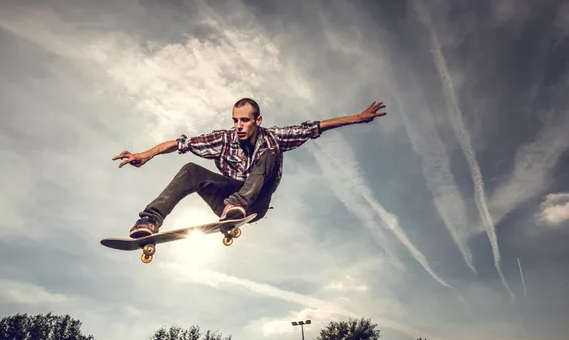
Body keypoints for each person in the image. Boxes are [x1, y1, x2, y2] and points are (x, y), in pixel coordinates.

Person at [113, 98, 387, 238]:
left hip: (256, 203)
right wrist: (147, 154)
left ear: (258, 120)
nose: (239, 126)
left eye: (244, 121)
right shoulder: (223, 139)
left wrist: (358, 118)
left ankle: (238, 204)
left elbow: (316, 127)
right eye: (235, 120)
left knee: (271, 150)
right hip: (226, 203)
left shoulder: (273, 136)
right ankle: (150, 221)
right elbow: (179, 143)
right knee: (190, 169)